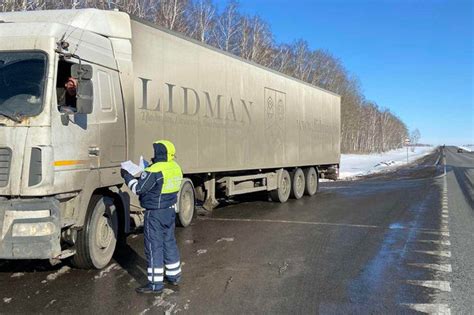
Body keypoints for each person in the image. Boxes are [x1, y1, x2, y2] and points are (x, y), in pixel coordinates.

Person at [121, 140, 183, 294]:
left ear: (159, 153)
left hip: (155, 213)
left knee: (153, 246)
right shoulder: (175, 167)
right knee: (169, 242)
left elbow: (139, 189)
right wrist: (149, 167)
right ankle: (174, 276)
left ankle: (155, 284)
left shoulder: (155, 170)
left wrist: (127, 177)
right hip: (169, 211)